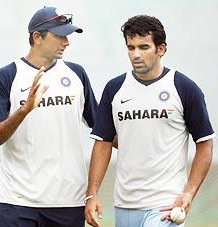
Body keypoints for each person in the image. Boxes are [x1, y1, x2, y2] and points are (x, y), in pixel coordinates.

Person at [85, 15, 215, 227]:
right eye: (131, 47)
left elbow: (205, 143)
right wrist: (92, 194)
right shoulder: (114, 89)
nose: (136, 54)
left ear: (161, 49)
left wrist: (189, 192)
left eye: (143, 47)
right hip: (125, 204)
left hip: (166, 205)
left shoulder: (184, 88)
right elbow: (103, 143)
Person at [0, 6, 98, 227]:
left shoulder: (77, 75)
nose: (67, 42)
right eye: (60, 35)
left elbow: (102, 130)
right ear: (37, 37)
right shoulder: (5, 77)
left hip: (68, 202)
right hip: (16, 202)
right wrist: (24, 110)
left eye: (68, 36)